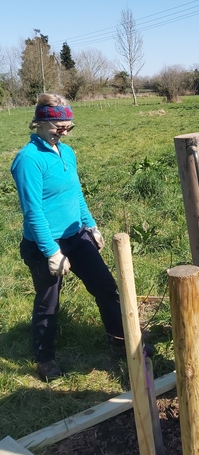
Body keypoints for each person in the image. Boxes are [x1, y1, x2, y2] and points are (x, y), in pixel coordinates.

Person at [11, 93, 126, 382]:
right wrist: (51, 251)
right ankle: (44, 358)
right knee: (48, 302)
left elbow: (76, 193)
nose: (63, 133)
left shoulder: (67, 153)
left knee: (106, 288)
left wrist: (91, 225)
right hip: (44, 243)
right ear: (40, 122)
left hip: (77, 235)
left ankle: (121, 342)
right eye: (59, 127)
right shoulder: (28, 160)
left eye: (68, 128)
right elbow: (33, 211)